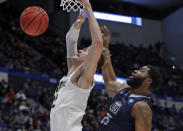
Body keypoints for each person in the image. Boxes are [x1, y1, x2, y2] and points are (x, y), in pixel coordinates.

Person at [50, 0, 104, 130]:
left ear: (91, 59)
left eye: (85, 50)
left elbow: (97, 43)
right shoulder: (72, 70)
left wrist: (88, 7)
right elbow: (70, 39)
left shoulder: (84, 76)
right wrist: (77, 25)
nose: (80, 50)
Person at [98, 26, 162, 131]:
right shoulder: (125, 89)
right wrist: (105, 46)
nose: (136, 71)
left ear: (147, 81)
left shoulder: (141, 107)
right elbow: (110, 81)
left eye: (141, 71)